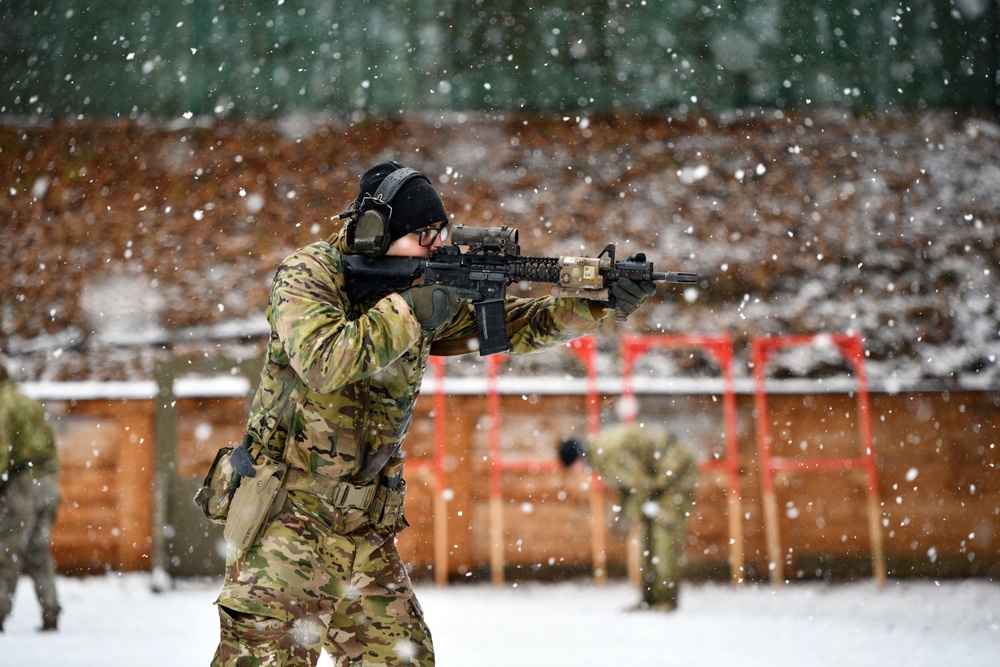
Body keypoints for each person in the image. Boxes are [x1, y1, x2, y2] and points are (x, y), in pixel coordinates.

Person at [211, 161, 657, 666]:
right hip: (286, 524)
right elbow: (321, 359)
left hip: (362, 531)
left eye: (439, 233)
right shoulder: (312, 273)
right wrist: (412, 309)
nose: (436, 246)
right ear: (377, 234)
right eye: (422, 235)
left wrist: (597, 303)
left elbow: (510, 326)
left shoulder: (421, 289)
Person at [559, 422, 697, 611]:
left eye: (572, 468)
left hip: (673, 474)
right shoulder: (601, 454)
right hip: (656, 479)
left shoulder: (607, 453)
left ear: (577, 460)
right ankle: (650, 599)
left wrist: (627, 515)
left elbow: (639, 484)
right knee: (647, 539)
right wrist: (625, 512)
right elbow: (630, 487)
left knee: (664, 539)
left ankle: (665, 601)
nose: (576, 473)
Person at [0, 361, 62, 632]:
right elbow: (51, 442)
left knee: (7, 551)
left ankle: (0, 611)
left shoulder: (4, 404)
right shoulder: (30, 402)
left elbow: (1, 448)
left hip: (22, 484)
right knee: (38, 550)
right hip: (48, 483)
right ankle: (51, 609)